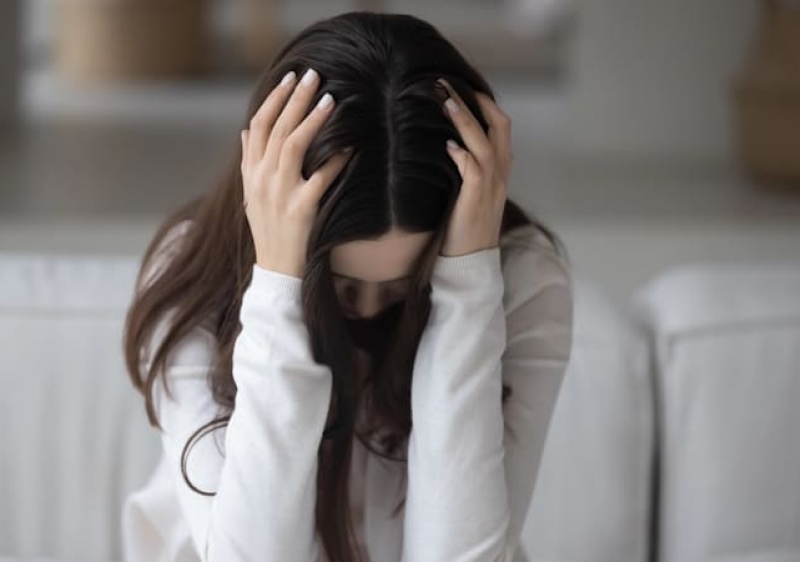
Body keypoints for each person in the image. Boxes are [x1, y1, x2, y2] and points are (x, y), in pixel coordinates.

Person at [120, 10, 574, 562]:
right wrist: (280, 288)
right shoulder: (193, 274)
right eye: (339, 286)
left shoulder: (522, 282)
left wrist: (468, 287)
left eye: (407, 288)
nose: (366, 313)